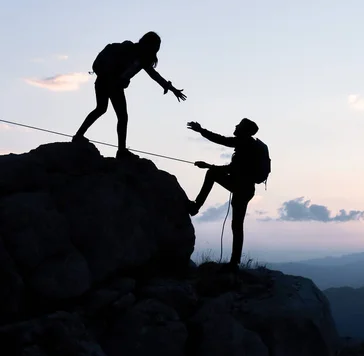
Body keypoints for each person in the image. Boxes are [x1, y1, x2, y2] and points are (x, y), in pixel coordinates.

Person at [72, 31, 187, 159]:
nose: (155, 51)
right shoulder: (130, 50)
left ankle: (79, 136)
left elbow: (154, 75)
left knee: (102, 109)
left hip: (105, 82)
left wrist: (171, 88)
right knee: (120, 116)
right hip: (110, 83)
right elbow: (148, 74)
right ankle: (120, 150)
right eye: (155, 47)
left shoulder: (142, 58)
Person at [187, 118, 262, 269]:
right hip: (245, 188)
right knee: (237, 225)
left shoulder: (244, 144)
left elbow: (221, 142)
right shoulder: (247, 145)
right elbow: (232, 167)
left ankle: (196, 206)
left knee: (212, 174)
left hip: (241, 188)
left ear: (245, 130)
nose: (235, 126)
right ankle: (235, 262)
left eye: (239, 125)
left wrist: (201, 131)